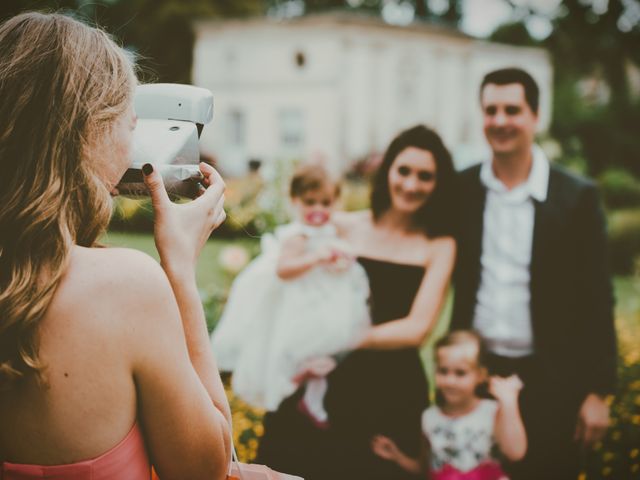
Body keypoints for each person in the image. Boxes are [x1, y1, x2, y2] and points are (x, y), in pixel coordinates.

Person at [0, 12, 231, 480]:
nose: (133, 147)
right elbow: (209, 468)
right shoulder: (124, 288)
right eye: (129, 124)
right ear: (90, 129)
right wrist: (180, 270)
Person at [256, 125, 458, 480]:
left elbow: (417, 329)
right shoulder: (347, 226)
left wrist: (345, 338)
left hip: (390, 387)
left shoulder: (439, 245)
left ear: (439, 184)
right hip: (327, 375)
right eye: (404, 171)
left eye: (425, 176)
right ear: (388, 172)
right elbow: (294, 256)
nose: (411, 185)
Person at [451, 67, 617, 479]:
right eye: (491, 110)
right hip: (477, 372)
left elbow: (598, 296)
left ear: (535, 116)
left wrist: (598, 392)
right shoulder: (462, 189)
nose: (501, 121)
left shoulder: (576, 197)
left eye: (512, 109)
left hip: (553, 376)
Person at [211, 163, 370, 426]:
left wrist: (339, 261)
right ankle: (294, 388)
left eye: (325, 203)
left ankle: (312, 398)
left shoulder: (332, 230)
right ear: (295, 201)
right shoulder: (297, 237)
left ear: (336, 203)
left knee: (325, 347)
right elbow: (283, 270)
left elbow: (338, 255)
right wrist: (317, 258)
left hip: (326, 299)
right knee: (298, 348)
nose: (318, 210)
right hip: (300, 302)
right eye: (310, 202)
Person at [372, 330, 526, 480]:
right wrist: (397, 456)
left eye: (460, 373)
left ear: (481, 375)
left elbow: (515, 452)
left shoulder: (492, 411)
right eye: (443, 371)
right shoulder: (429, 417)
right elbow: (426, 469)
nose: (450, 381)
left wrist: (509, 402)